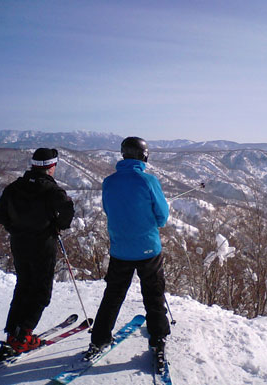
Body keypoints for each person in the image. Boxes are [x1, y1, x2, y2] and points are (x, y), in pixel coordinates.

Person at [85, 136, 170, 363]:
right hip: (148, 250)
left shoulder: (109, 182)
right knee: (153, 295)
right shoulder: (148, 181)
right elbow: (162, 217)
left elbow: (108, 210)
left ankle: (99, 338)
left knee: (113, 295)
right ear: (144, 156)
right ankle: (158, 339)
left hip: (120, 249)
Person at [0, 148, 74, 353]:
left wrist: (14, 228)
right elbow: (67, 211)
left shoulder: (14, 187)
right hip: (43, 244)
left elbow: (0, 215)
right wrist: (57, 225)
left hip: (19, 243)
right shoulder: (52, 191)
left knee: (24, 286)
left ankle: (13, 332)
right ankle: (24, 336)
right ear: (51, 166)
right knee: (41, 291)